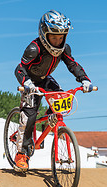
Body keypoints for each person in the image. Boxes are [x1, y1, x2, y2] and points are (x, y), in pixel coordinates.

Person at [14, 10, 93, 170]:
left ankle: (47, 120)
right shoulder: (34, 48)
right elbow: (19, 68)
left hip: (46, 80)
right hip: (31, 83)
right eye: (54, 37)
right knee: (29, 116)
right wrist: (27, 83)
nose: (58, 41)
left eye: (61, 37)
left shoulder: (64, 49)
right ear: (44, 34)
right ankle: (22, 154)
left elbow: (73, 65)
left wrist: (84, 79)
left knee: (62, 99)